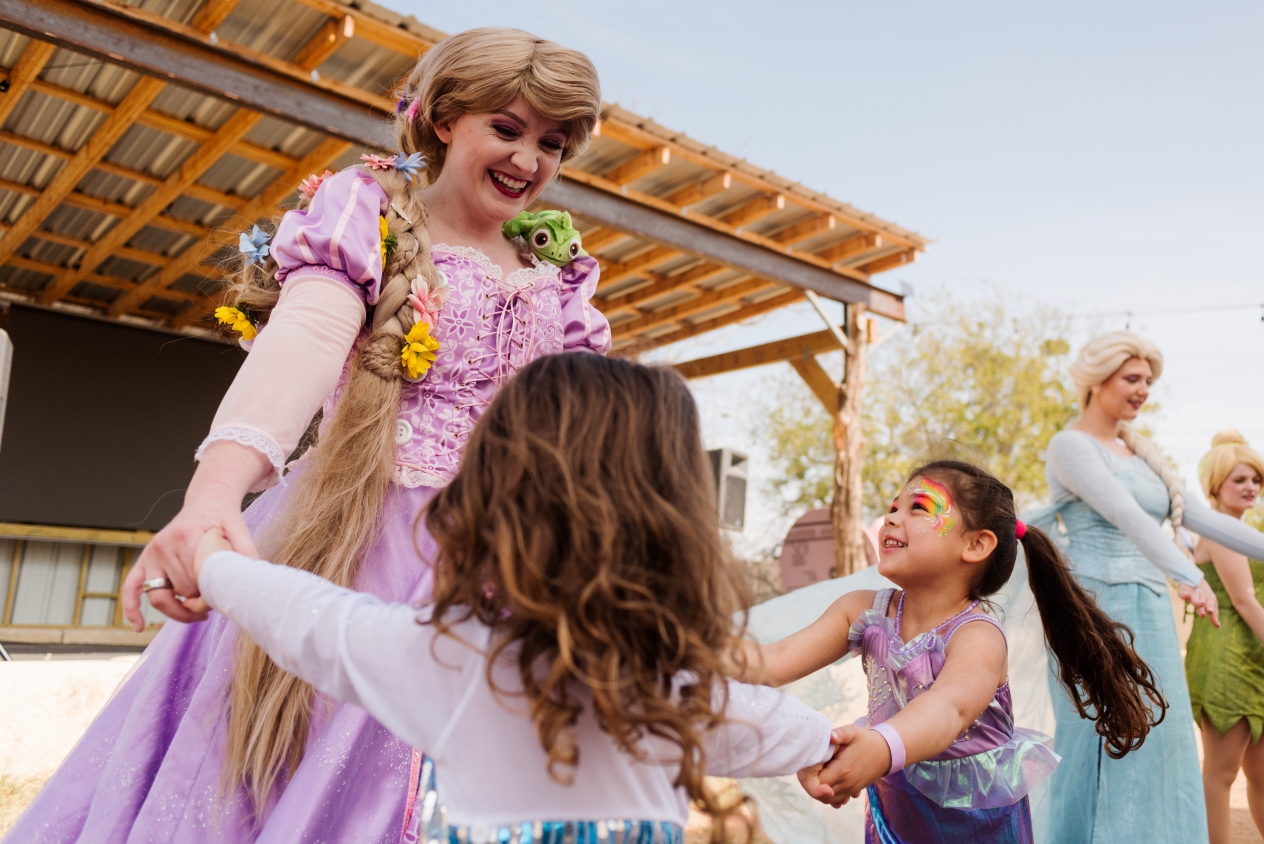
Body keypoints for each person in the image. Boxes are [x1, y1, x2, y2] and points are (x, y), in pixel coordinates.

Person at [8, 28, 610, 843]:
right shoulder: (369, 217)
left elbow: (591, 437)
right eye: (506, 129)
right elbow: (305, 343)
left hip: (518, 573)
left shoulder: (561, 278)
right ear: (442, 122)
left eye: (552, 142)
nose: (529, 159)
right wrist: (215, 493)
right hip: (358, 545)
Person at [190, 353, 836, 841]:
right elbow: (779, 726)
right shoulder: (675, 695)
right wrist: (832, 750)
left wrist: (206, 558)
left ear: (497, 496)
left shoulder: (445, 660)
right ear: (676, 517)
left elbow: (307, 619)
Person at [733, 459, 1165, 843]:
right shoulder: (861, 611)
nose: (891, 518)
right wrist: (689, 652)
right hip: (894, 819)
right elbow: (770, 663)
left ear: (975, 545)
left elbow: (951, 709)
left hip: (976, 830)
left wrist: (880, 748)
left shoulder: (977, 636)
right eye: (893, 506)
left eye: (918, 507)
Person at [1038, 332, 1264, 844]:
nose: (1143, 390)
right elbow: (1126, 515)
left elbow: (1208, 521)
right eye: (1132, 379)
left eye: (1149, 381)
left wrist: (1178, 579)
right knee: (1099, 734)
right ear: (1097, 381)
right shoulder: (1070, 445)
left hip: (1151, 607)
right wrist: (1187, 576)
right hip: (1095, 607)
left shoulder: (1141, 453)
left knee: (1158, 739)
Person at [1185, 431, 1264, 844]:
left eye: (1256, 480)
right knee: (1222, 772)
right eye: (1240, 480)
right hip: (1227, 657)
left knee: (1262, 774)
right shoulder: (1220, 530)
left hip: (1256, 655)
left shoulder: (1244, 531)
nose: (1251, 487)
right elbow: (1245, 601)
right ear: (1216, 485)